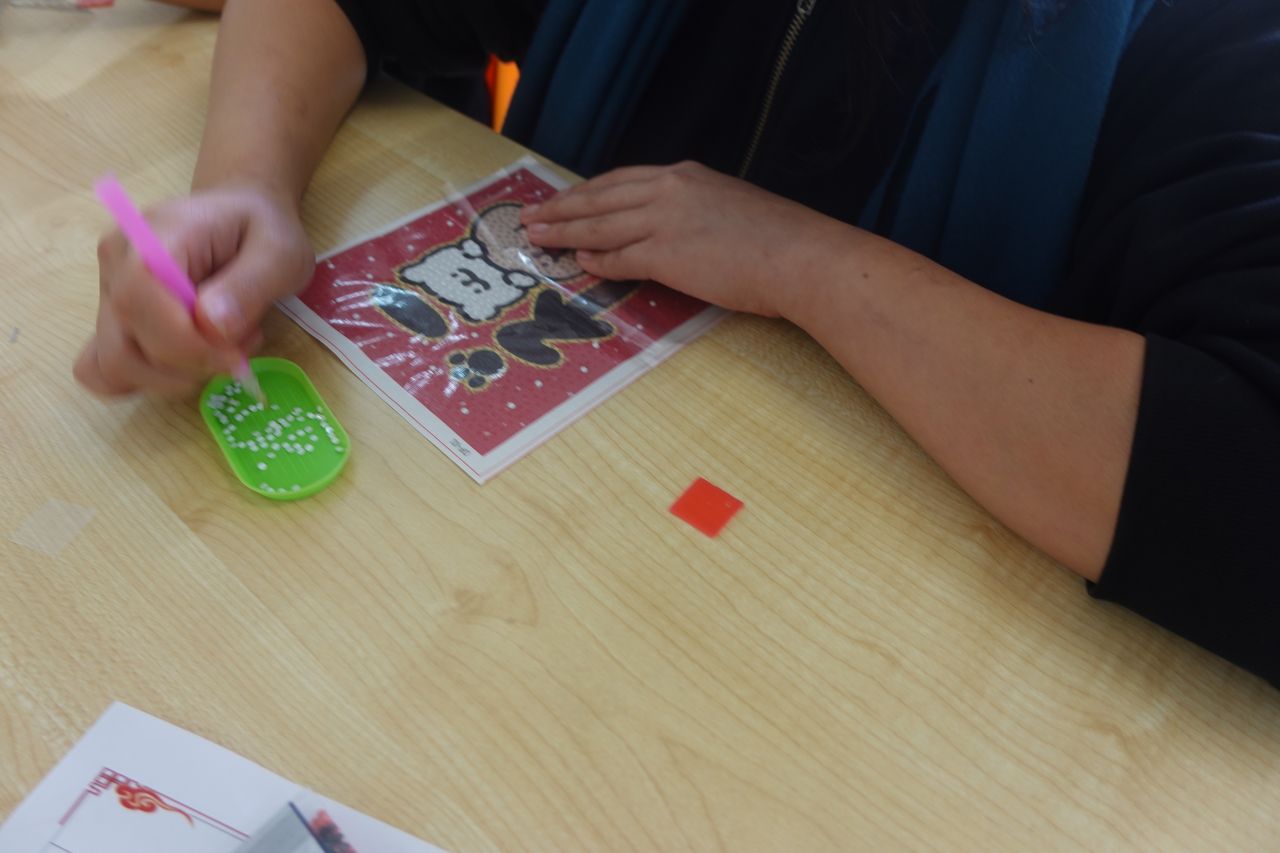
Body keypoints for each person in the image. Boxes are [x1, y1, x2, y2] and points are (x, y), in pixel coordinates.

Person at [75, 0, 1280, 685]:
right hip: (506, 594)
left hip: (859, 672)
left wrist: (808, 264)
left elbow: (1244, 489)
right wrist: (245, 185)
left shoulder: (1205, 43)